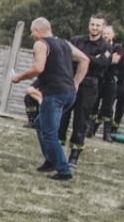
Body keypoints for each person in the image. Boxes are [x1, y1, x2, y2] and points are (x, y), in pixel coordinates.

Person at [9, 18, 89, 180]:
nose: (32, 35)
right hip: (69, 94)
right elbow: (85, 60)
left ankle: (64, 171)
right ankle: (51, 160)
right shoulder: (65, 43)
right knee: (40, 123)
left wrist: (18, 77)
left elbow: (38, 68)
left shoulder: (41, 44)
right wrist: (76, 83)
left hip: (54, 94)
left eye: (32, 32)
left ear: (38, 30)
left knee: (49, 133)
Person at [64, 14, 115, 165]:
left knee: (81, 120)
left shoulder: (106, 47)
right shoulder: (76, 40)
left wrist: (80, 58)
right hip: (70, 81)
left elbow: (101, 63)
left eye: (98, 25)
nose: (94, 28)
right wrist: (89, 59)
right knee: (63, 116)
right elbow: (67, 57)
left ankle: (74, 155)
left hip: (89, 85)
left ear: (103, 27)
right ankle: (56, 152)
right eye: (92, 24)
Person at [96, 25, 122, 140]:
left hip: (110, 80)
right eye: (104, 33)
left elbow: (115, 60)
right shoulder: (98, 45)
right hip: (98, 79)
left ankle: (106, 133)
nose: (106, 35)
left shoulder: (117, 47)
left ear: (113, 35)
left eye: (108, 33)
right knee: (93, 105)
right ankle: (89, 129)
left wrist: (102, 59)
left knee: (107, 107)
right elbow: (96, 60)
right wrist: (106, 59)